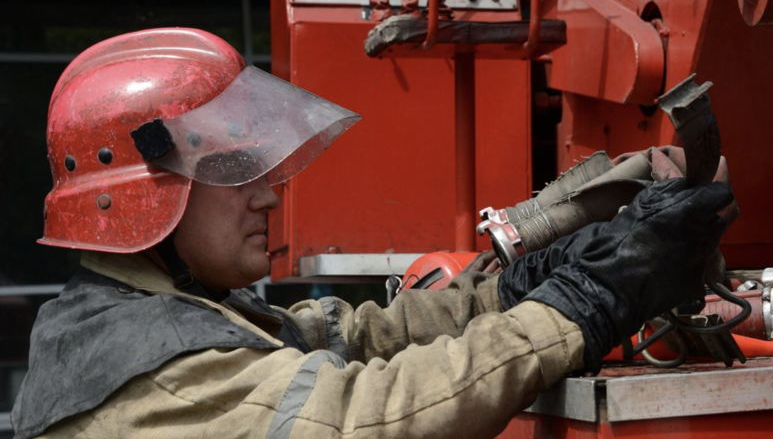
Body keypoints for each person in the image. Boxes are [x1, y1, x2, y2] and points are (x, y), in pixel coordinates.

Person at [12, 28, 734, 439]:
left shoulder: (156, 317)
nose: (268, 192)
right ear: (143, 200)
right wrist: (583, 299)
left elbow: (352, 337)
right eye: (232, 170)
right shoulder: (151, 376)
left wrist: (515, 286)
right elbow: (371, 413)